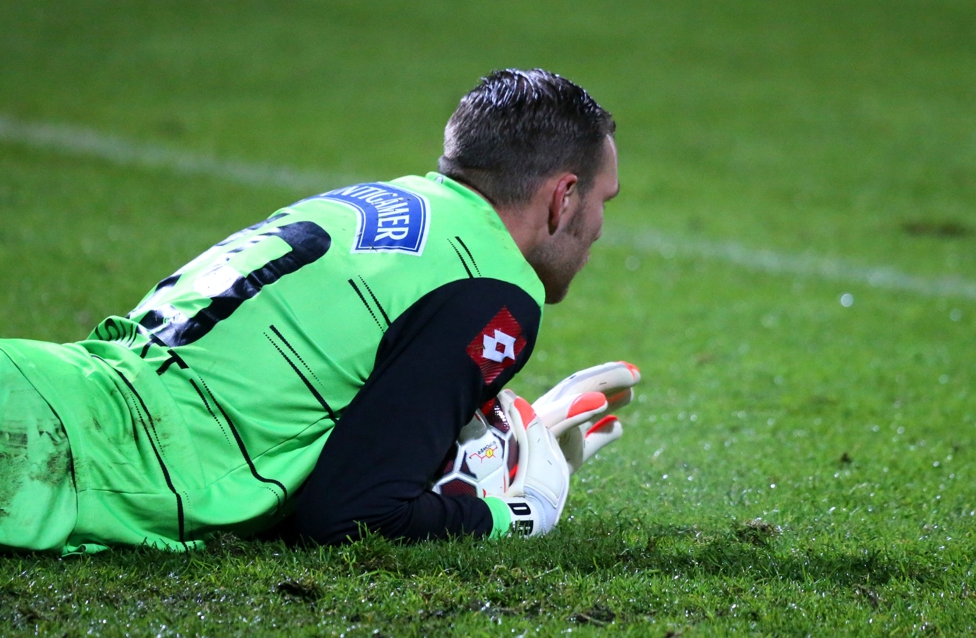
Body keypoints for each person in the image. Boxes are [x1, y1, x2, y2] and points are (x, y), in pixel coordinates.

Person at [0, 69, 635, 554]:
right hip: (57, 457)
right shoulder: (493, 289)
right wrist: (513, 512)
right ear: (564, 197)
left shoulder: (386, 202)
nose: (602, 227)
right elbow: (354, 514)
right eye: (603, 199)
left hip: (48, 385)